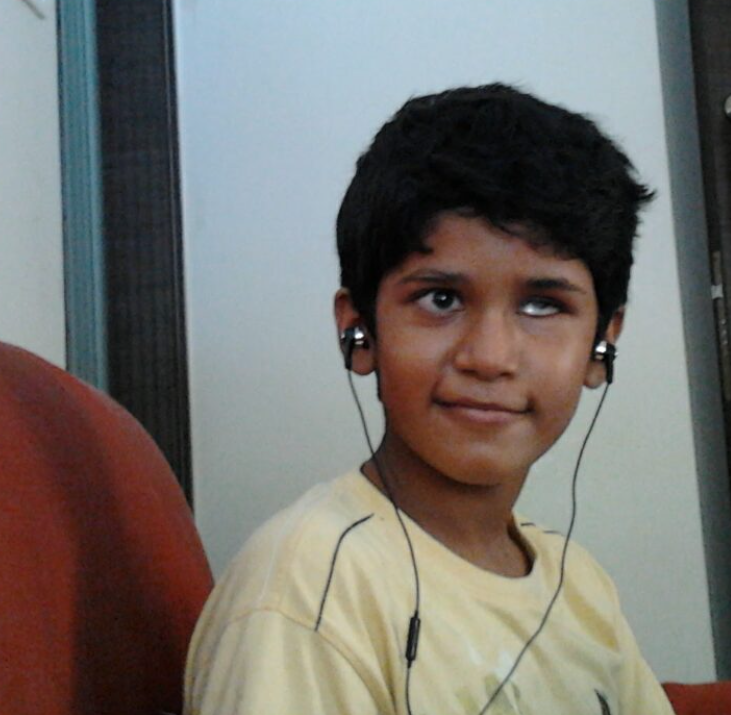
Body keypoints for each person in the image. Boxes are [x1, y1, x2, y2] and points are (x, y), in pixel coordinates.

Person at [184, 84, 675, 715]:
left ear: (601, 344)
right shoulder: (309, 591)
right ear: (358, 331)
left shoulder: (577, 584)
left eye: (542, 304)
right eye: (441, 299)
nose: (490, 357)